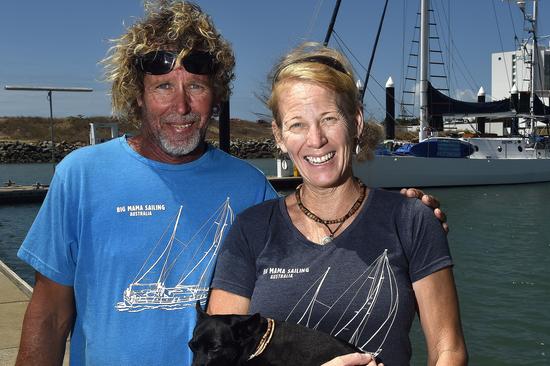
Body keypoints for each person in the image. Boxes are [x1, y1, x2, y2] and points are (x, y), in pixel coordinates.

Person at [15, 2, 446, 366]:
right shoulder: (80, 175)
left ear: (216, 94)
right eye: (164, 87)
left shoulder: (249, 187)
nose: (181, 105)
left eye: (196, 87)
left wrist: (402, 217)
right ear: (137, 95)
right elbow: (50, 316)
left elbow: (316, 236)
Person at [208, 43, 467, 365]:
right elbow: (216, 353)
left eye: (329, 118)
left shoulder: (412, 219)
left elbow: (448, 351)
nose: (315, 140)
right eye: (297, 124)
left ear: (356, 122)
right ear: (279, 135)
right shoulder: (251, 230)